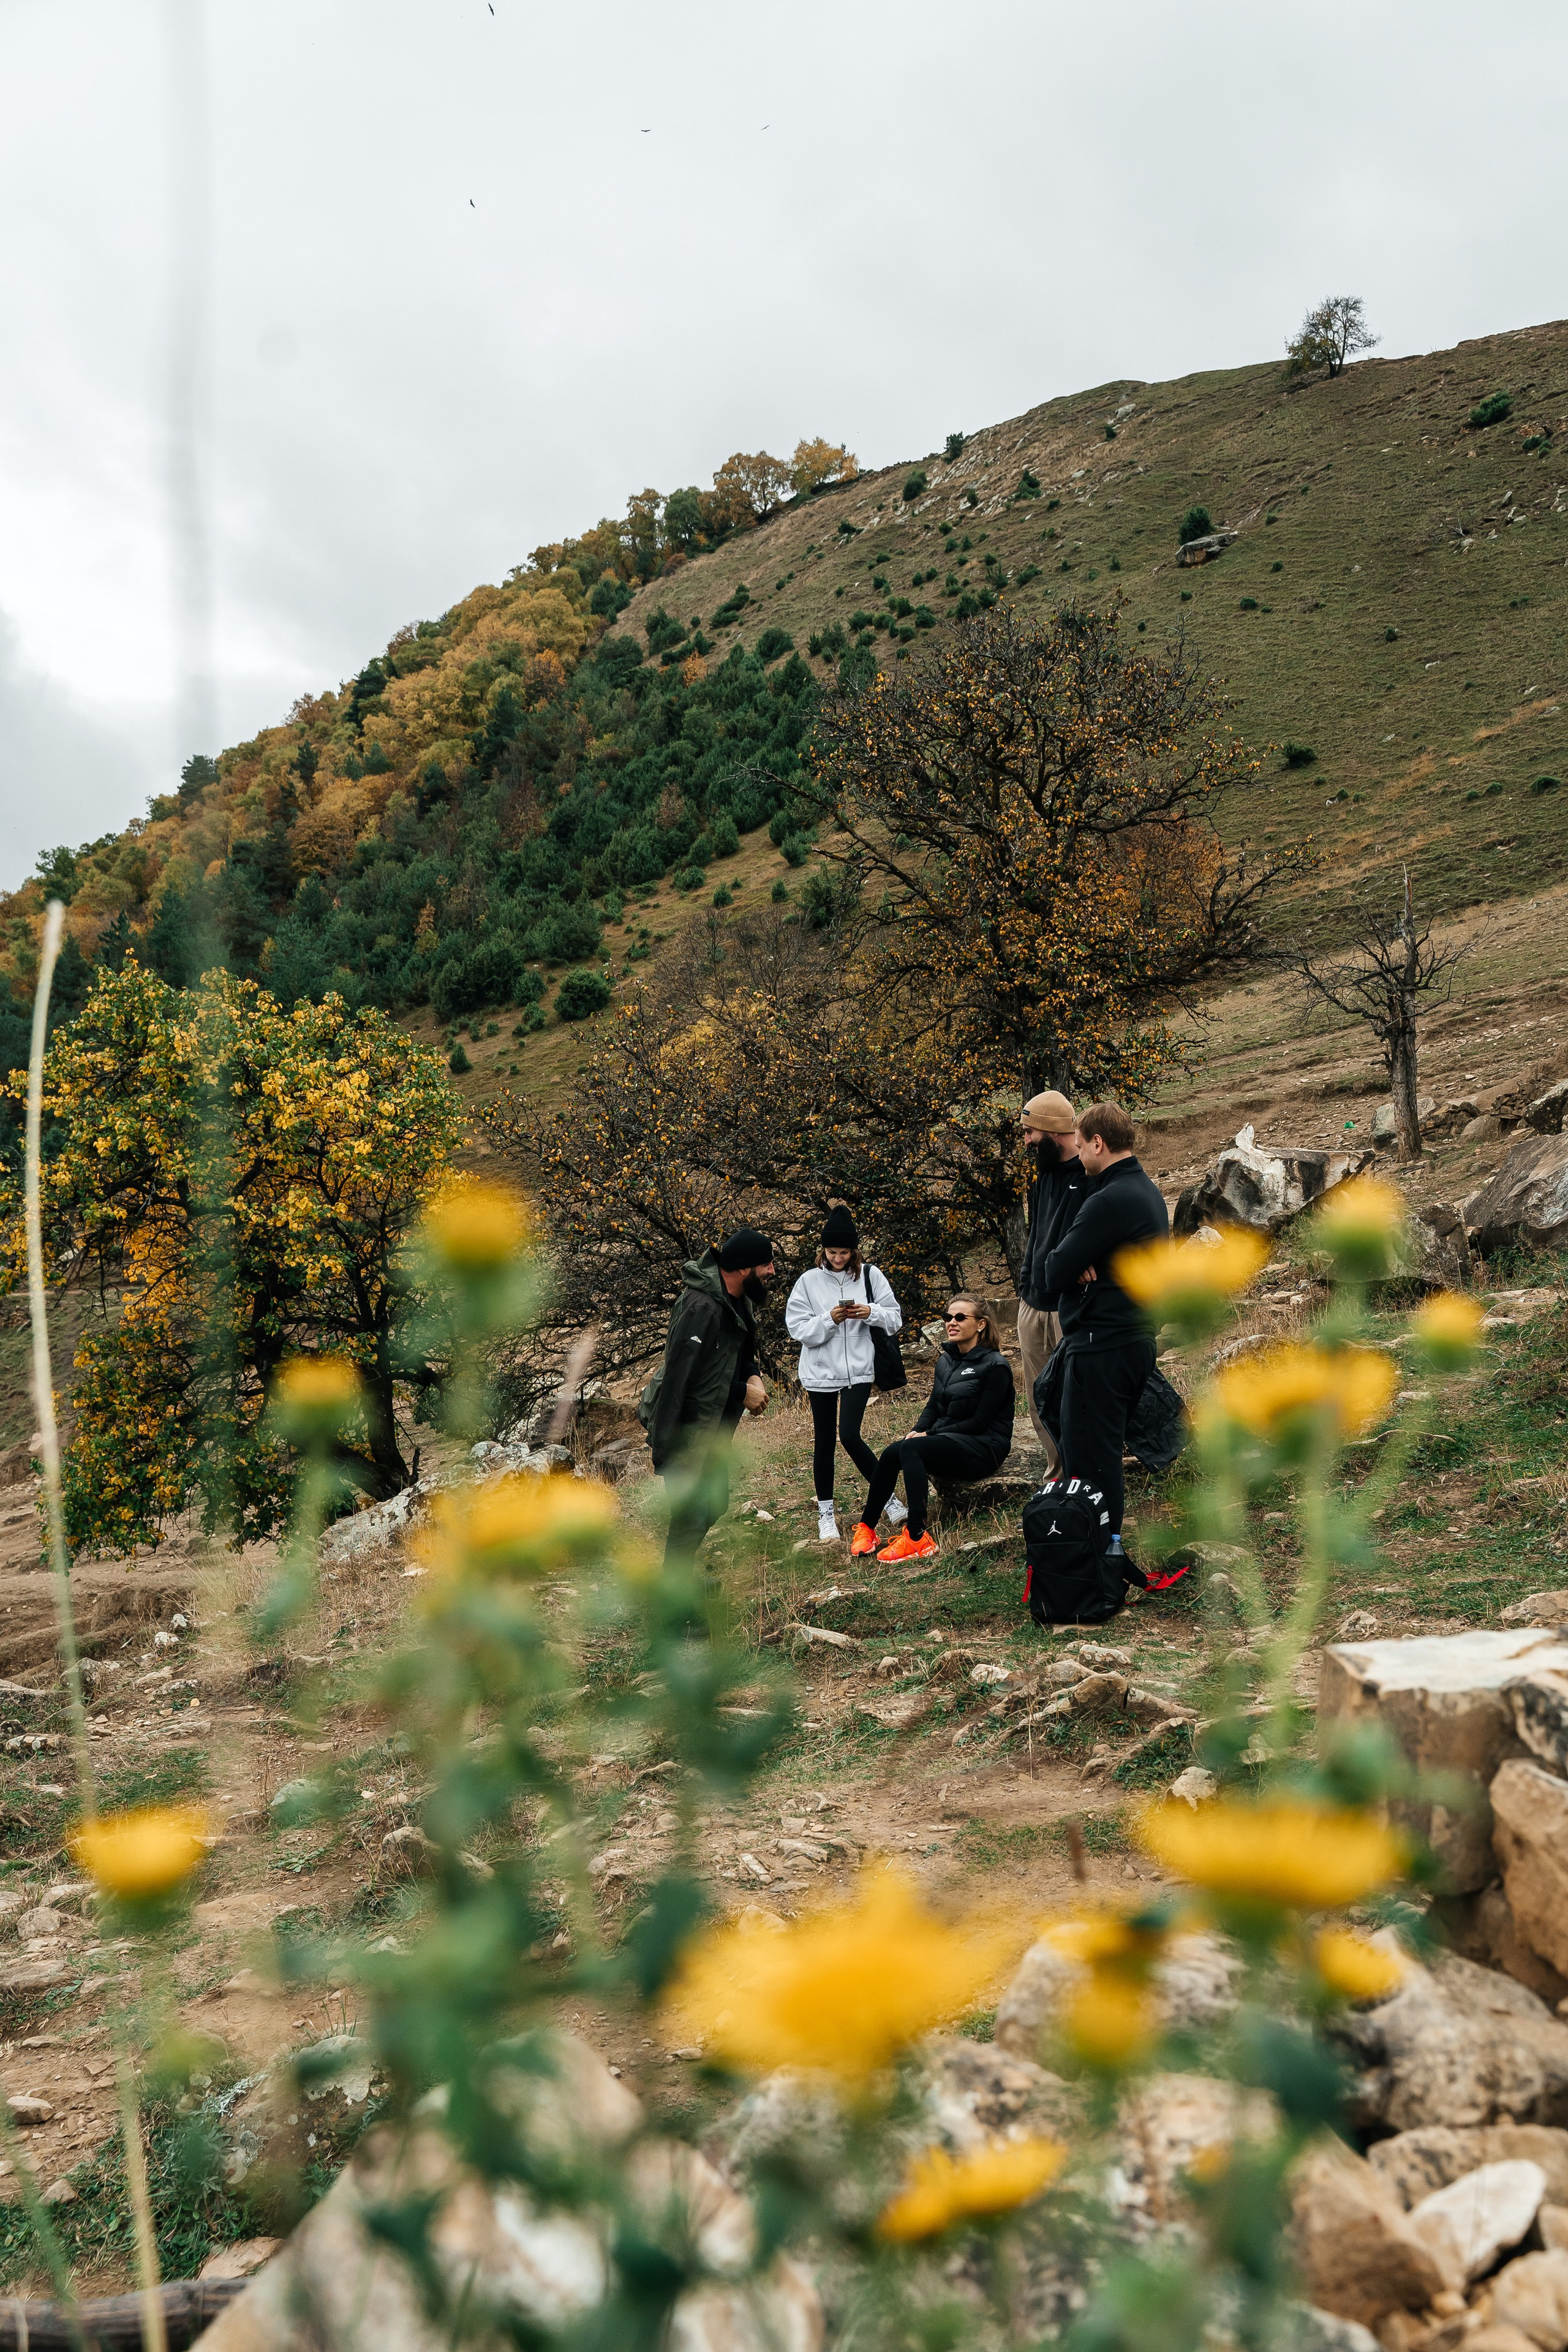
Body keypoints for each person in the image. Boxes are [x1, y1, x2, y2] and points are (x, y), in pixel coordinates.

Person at [1038, 1102, 1167, 1571]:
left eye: (1079, 1137)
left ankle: (1100, 1557)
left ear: (1097, 1143)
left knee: (1091, 1458)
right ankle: (1102, 1549)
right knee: (1100, 1453)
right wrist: (1079, 1265)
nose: (1075, 1146)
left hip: (1102, 1344)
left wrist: (1072, 1268)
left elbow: (1053, 1268)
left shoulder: (1110, 1199)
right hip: (1129, 1339)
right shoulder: (1143, 1191)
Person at [641, 1227, 775, 1566]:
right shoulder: (702, 1308)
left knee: (714, 1505)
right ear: (744, 1268)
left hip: (712, 1429)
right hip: (686, 1426)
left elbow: (739, 1354)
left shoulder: (737, 1301)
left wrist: (753, 1377)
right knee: (689, 1519)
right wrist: (742, 1392)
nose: (772, 1271)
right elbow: (682, 1377)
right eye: (766, 1264)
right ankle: (676, 1603)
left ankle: (681, 1579)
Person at [848, 1295, 1016, 1565]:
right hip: (952, 1441)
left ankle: (917, 1536)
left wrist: (930, 1435)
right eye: (948, 1317)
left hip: (985, 1447)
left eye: (961, 1318)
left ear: (981, 1324)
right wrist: (919, 1429)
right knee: (895, 1451)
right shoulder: (946, 1361)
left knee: (913, 1448)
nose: (952, 1322)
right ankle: (867, 1527)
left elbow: (980, 1422)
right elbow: (933, 1406)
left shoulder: (996, 1366)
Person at [785, 1207, 903, 1544]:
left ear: (854, 1250)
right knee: (824, 1441)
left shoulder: (870, 1275)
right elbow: (797, 1329)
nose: (838, 1258)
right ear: (822, 1250)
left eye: (844, 1252)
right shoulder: (808, 1281)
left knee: (850, 1435)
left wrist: (870, 1312)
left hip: (860, 1371)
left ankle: (890, 1501)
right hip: (820, 1373)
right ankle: (826, 1514)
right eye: (832, 1252)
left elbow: (895, 1319)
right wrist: (829, 1320)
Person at [1015, 1090, 1084, 1465]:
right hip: (1033, 1304)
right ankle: (1056, 1472)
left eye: (1029, 1132)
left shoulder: (1090, 1176)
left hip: (1068, 1307)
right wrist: (1025, 1287)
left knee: (1073, 1394)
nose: (1026, 1141)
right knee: (1038, 1397)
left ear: (1051, 1131)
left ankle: (1080, 1473)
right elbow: (1035, 1237)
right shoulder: (1042, 1178)